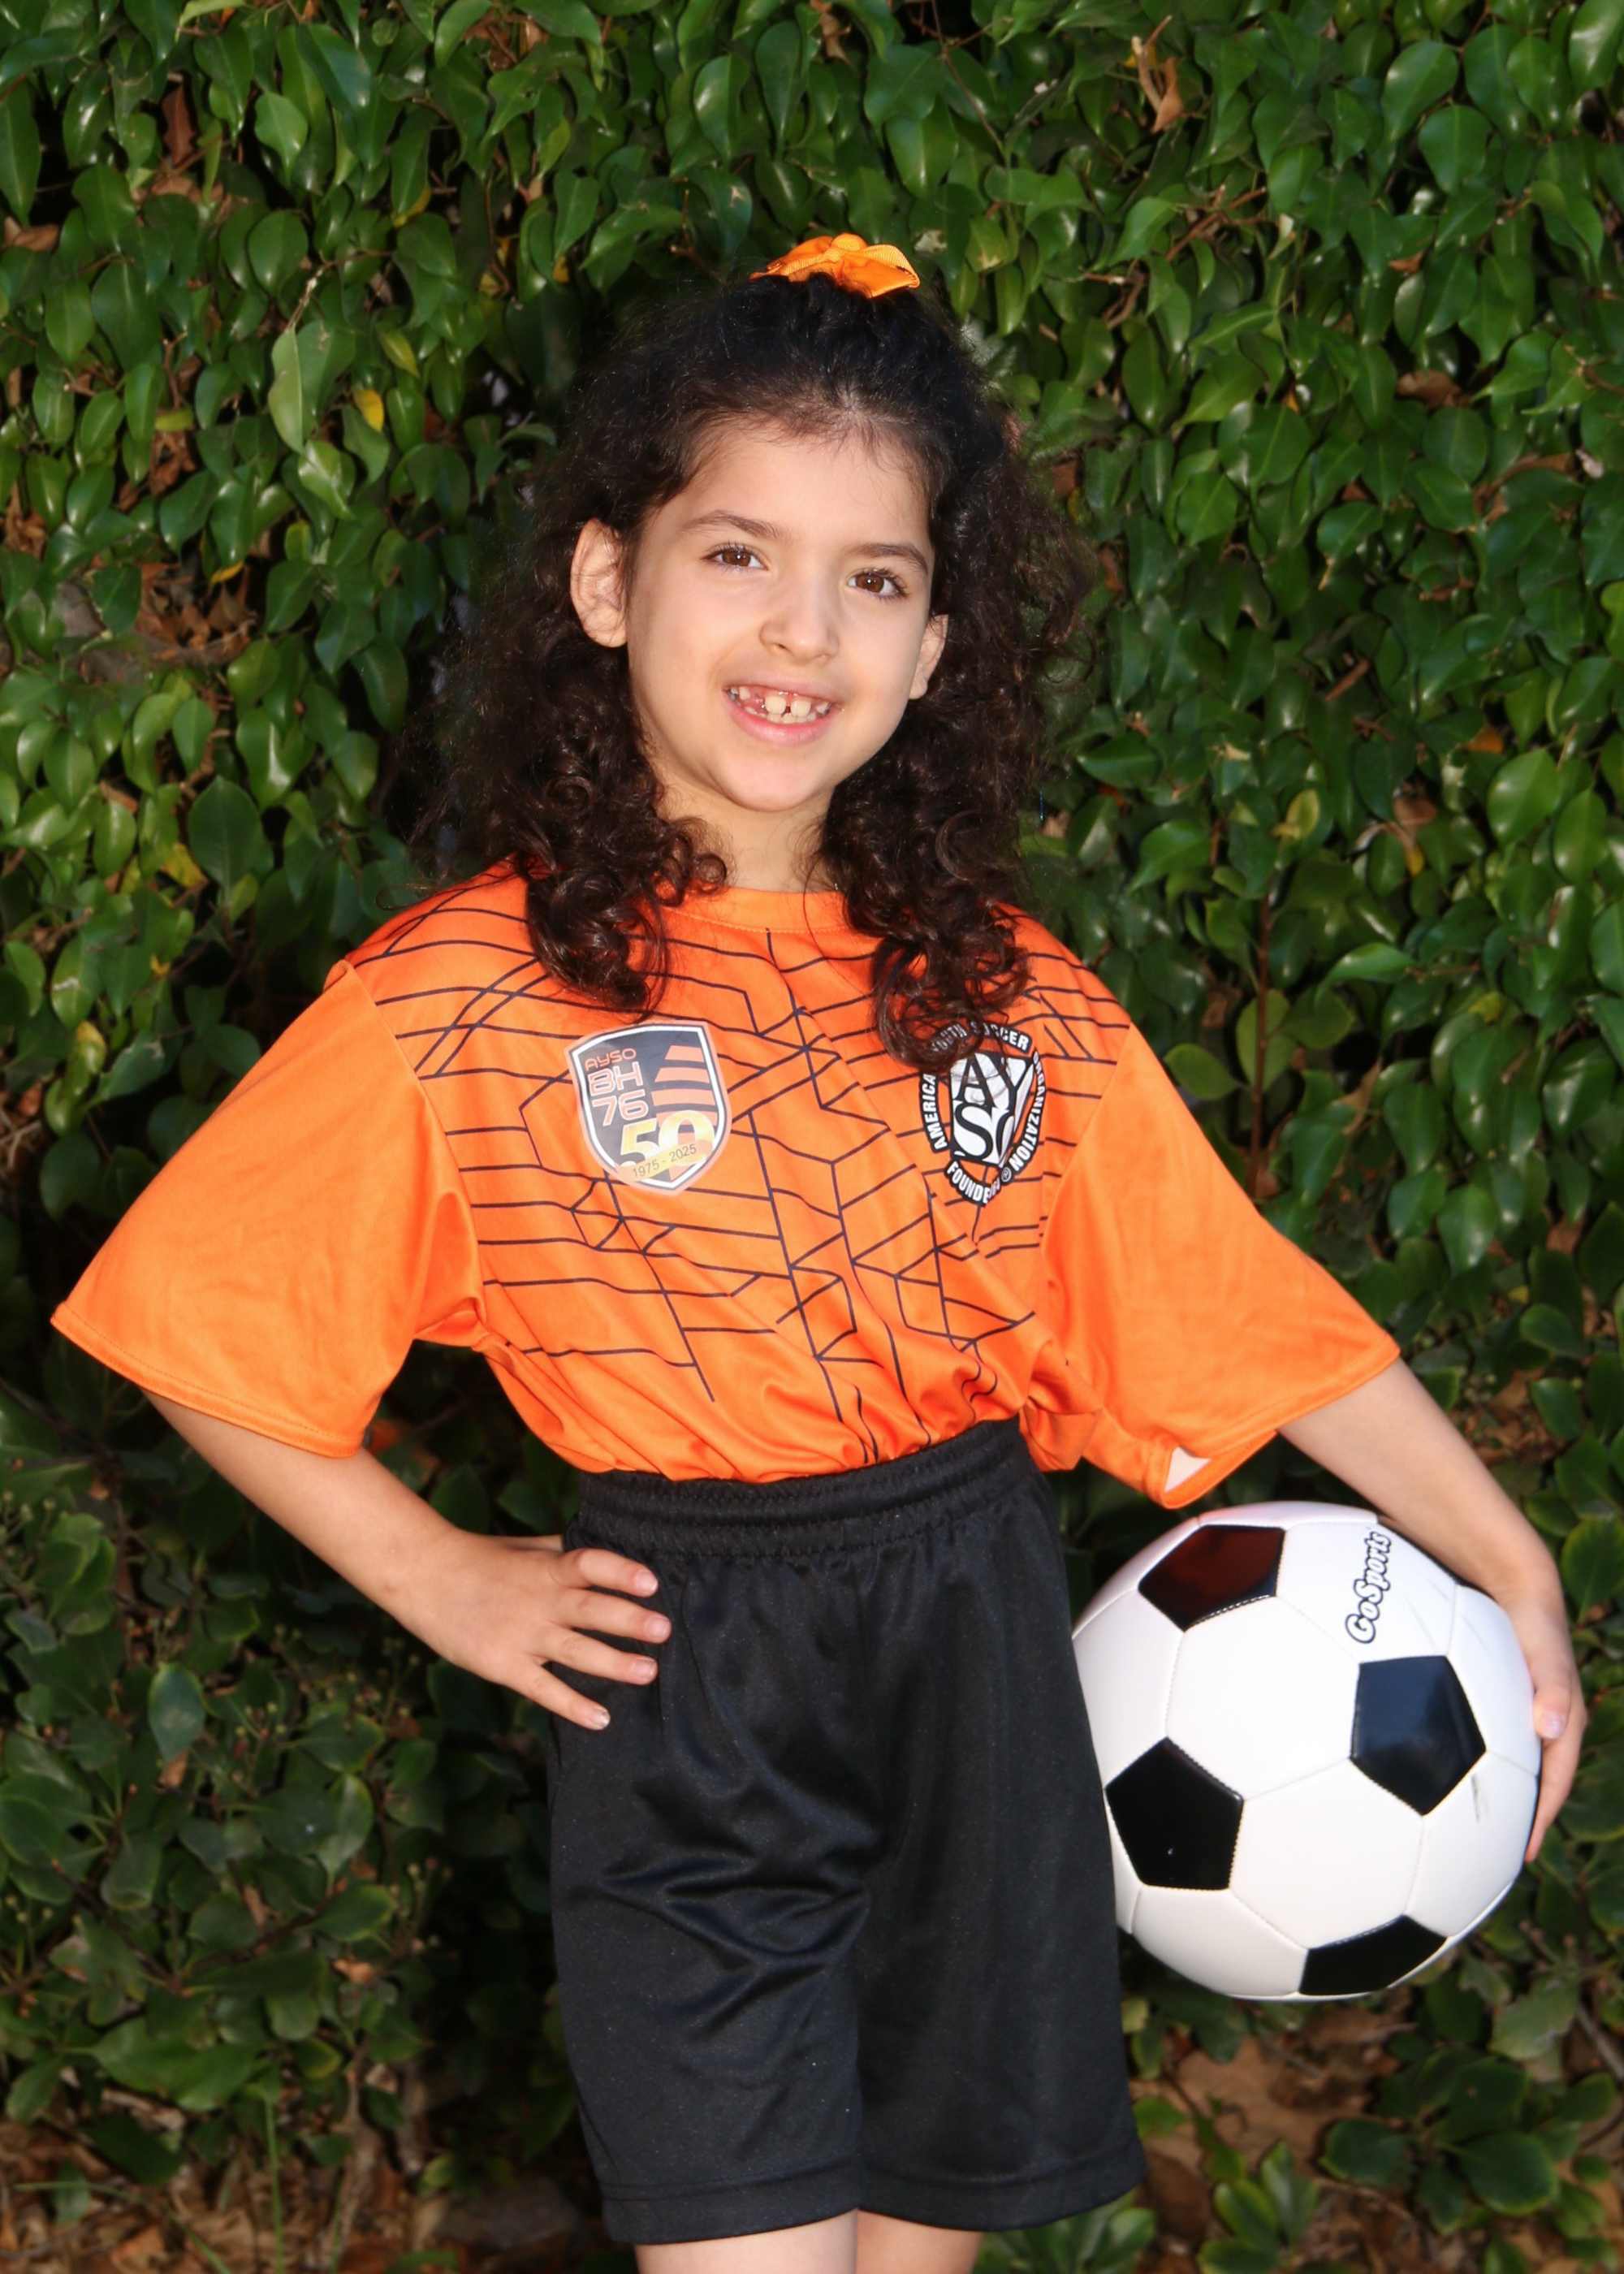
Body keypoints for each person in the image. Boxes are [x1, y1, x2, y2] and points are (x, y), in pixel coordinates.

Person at [51, 233, 1583, 2274]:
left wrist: (1511, 1559)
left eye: (872, 578)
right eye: (737, 554)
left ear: (935, 643)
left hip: (977, 1645)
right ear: (608, 580)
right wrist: (433, 1570)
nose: (802, 628)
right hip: (689, 1673)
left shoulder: (1002, 998)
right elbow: (194, 1316)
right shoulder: (466, 994)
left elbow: (1243, 1315)